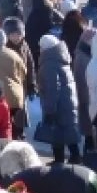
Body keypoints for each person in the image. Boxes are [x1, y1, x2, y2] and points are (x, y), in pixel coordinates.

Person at [37, 34, 82, 164]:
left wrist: (50, 110)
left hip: (58, 104)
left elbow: (52, 88)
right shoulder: (61, 59)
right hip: (66, 101)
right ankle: (73, 157)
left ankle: (60, 160)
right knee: (67, 130)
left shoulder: (49, 63)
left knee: (56, 131)